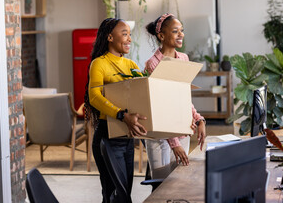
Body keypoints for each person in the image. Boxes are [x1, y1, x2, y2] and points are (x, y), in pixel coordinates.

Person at [84, 18, 147, 203]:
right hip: (107, 137)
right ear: (110, 37)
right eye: (124, 33)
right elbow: (94, 97)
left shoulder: (132, 66)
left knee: (124, 192)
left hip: (127, 138)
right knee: (114, 192)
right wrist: (122, 115)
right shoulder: (99, 63)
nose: (129, 39)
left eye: (130, 34)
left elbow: (143, 98)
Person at [144, 13, 206, 179]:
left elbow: (183, 97)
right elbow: (159, 107)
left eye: (182, 30)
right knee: (161, 187)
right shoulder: (153, 64)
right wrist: (174, 143)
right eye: (175, 31)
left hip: (182, 130)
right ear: (162, 36)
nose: (181, 34)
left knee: (177, 184)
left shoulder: (183, 58)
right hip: (161, 138)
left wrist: (199, 119)